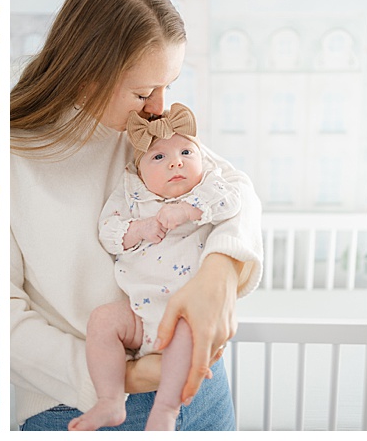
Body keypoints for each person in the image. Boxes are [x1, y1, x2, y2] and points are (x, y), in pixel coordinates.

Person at [10, 0, 262, 431]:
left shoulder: (152, 135)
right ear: (88, 75)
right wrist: (122, 377)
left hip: (199, 383)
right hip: (80, 401)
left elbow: (235, 188)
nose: (160, 107)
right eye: (145, 91)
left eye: (168, 86)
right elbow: (8, 320)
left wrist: (221, 271)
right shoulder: (16, 160)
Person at [71, 103, 243, 431]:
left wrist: (188, 210)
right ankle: (109, 400)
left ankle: (165, 409)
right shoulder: (132, 194)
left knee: (184, 340)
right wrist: (141, 228)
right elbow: (108, 232)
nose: (176, 161)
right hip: (139, 312)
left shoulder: (207, 186)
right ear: (140, 171)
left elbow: (233, 200)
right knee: (103, 321)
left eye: (185, 152)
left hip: (185, 312)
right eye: (159, 158)